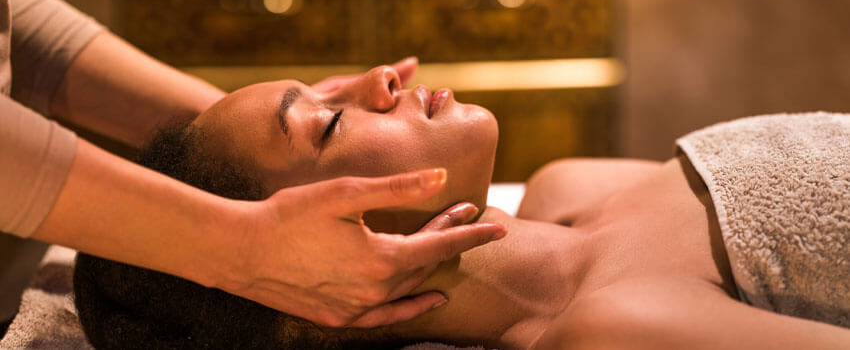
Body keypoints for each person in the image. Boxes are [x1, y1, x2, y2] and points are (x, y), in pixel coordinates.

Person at [0, 0, 506, 332]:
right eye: (331, 123)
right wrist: (236, 244)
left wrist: (235, 135)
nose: (381, 74)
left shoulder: (552, 189)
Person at [74, 66, 850, 349]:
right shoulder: (614, 326)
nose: (380, 79)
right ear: (316, 278)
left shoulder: (570, 187)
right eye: (332, 122)